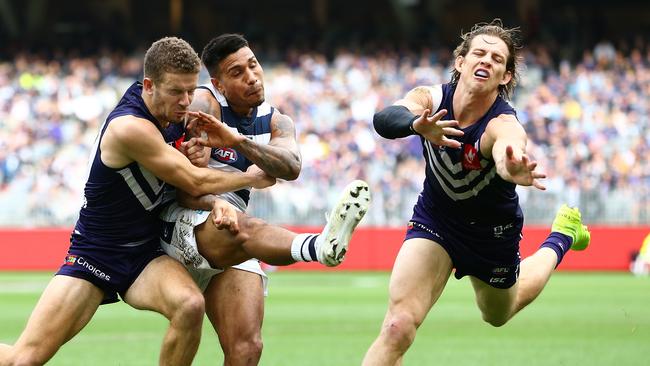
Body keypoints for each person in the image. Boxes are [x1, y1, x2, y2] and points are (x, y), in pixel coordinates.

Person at [0, 37, 279, 366]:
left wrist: (205, 178)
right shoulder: (128, 128)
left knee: (189, 305)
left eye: (191, 91)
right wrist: (252, 177)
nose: (186, 101)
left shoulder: (176, 112)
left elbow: (190, 178)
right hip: (98, 253)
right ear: (149, 86)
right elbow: (192, 180)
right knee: (24, 360)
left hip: (145, 253)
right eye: (177, 92)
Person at [362, 20, 591, 365]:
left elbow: (506, 149)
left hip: (490, 234)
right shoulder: (431, 98)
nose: (486, 61)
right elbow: (384, 118)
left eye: (498, 60)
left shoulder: (504, 123)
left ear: (505, 78)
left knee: (498, 313)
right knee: (397, 326)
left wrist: (511, 167)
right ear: (461, 62)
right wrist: (415, 124)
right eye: (479, 53)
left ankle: (561, 236)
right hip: (436, 220)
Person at [159, 33, 371, 365]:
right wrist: (215, 198)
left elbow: (290, 167)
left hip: (234, 232)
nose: (251, 77)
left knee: (247, 349)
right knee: (245, 226)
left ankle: (317, 245)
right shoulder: (206, 104)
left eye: (253, 65)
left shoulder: (276, 120)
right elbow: (185, 188)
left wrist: (236, 141)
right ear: (219, 84)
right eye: (237, 72)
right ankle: (318, 247)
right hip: (186, 222)